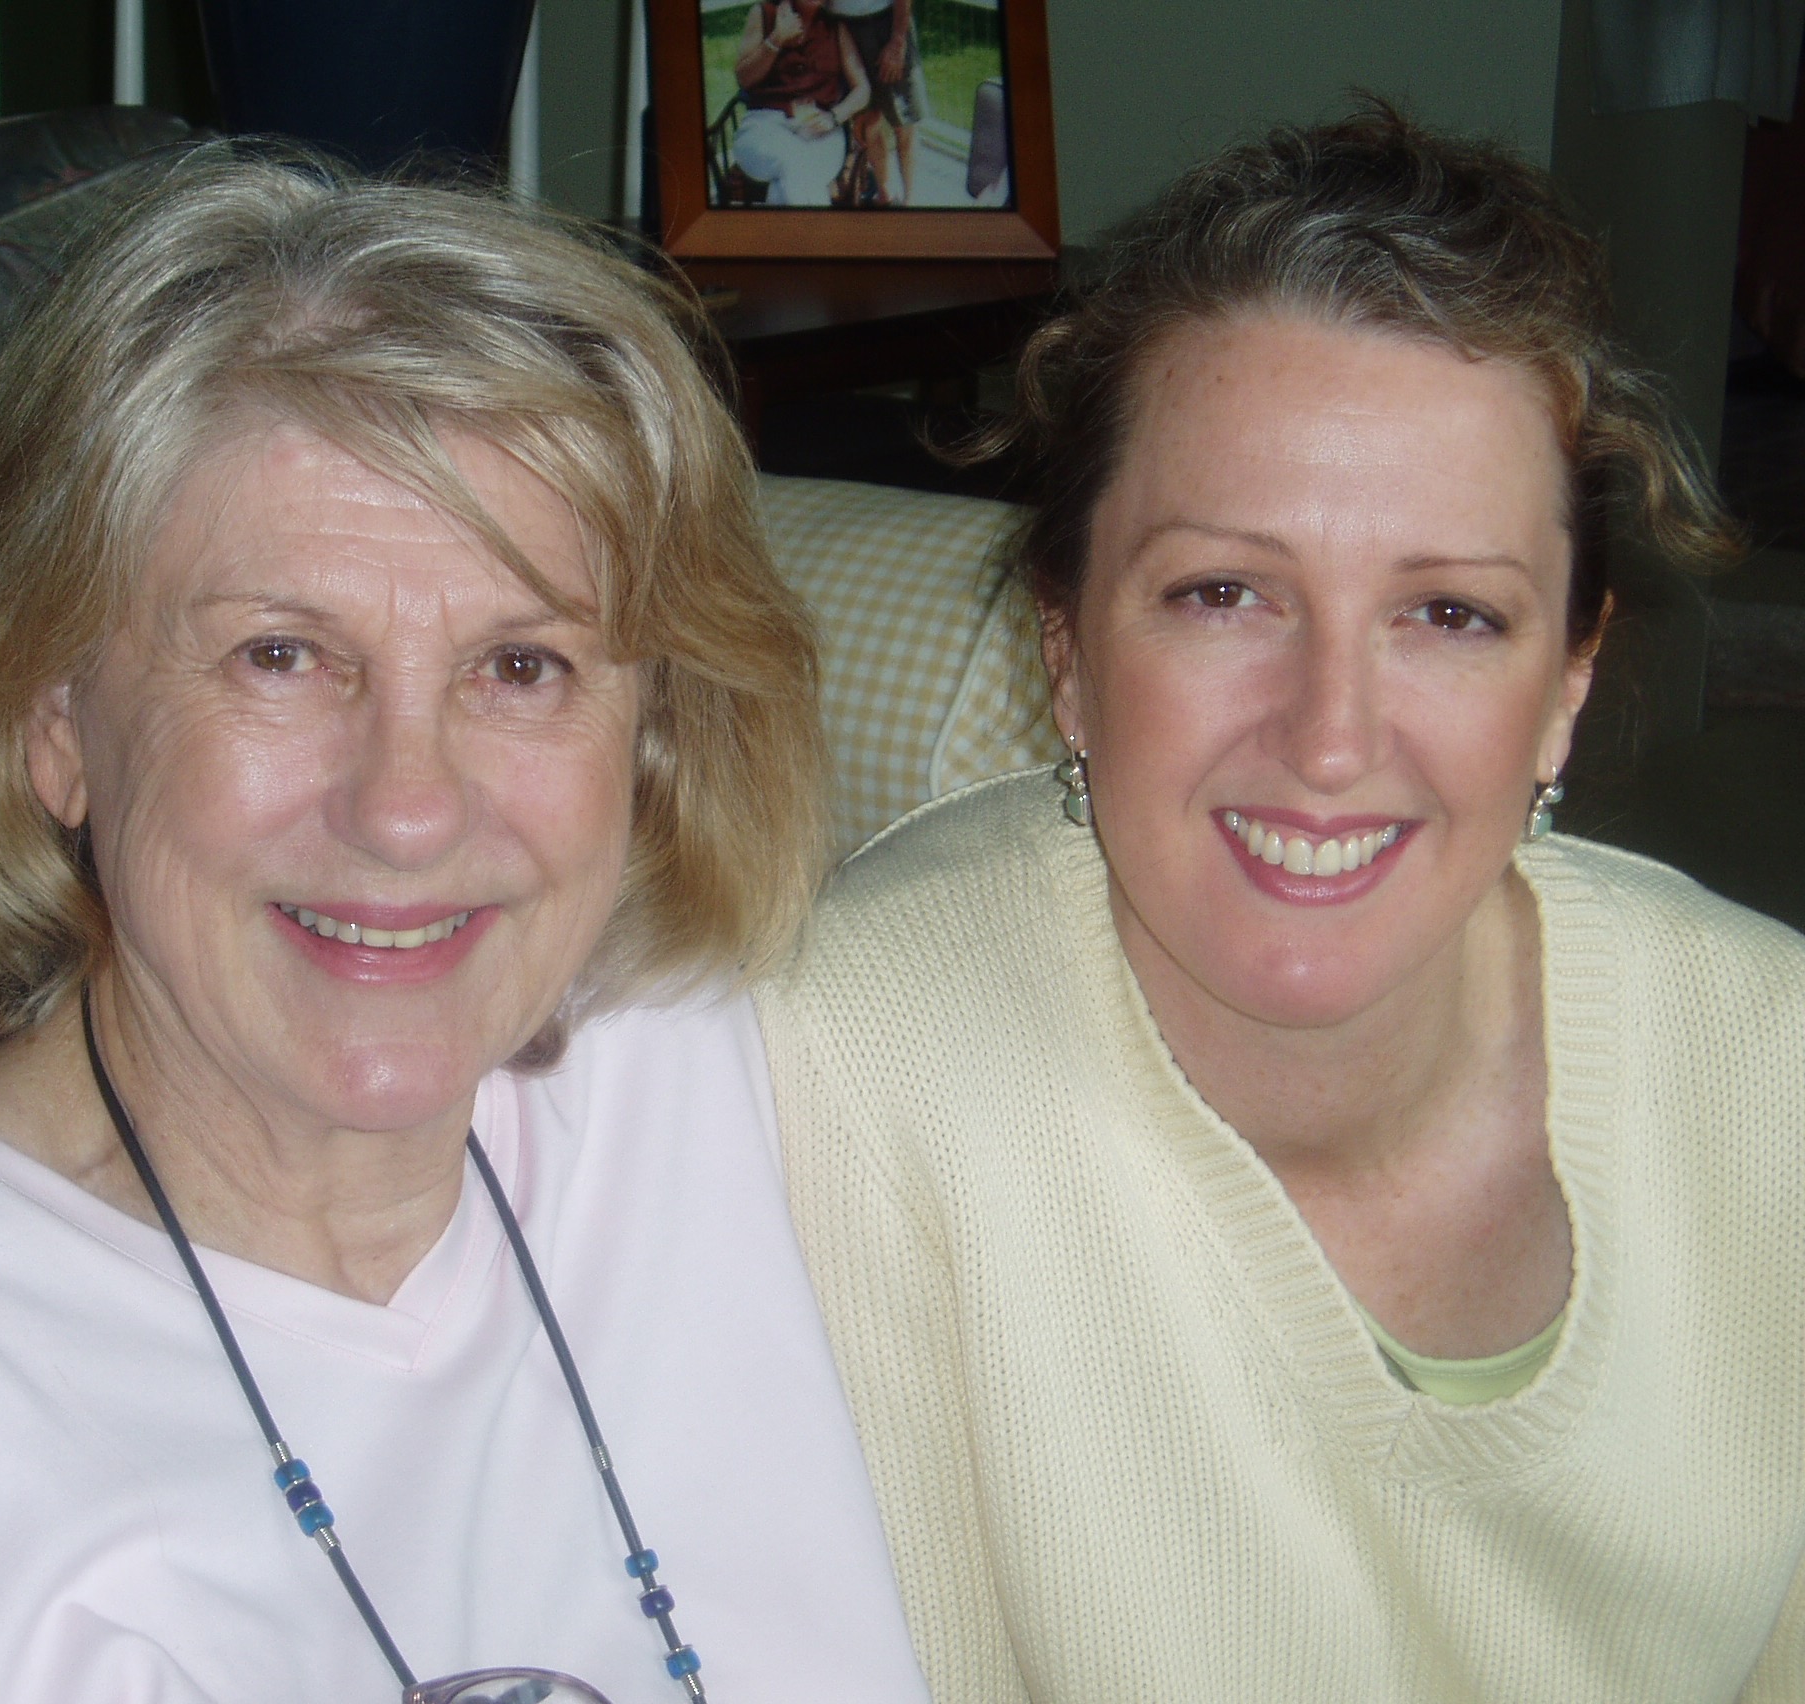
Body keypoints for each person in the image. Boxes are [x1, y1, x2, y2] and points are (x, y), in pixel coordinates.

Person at [0, 144, 934, 1704]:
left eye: (520, 666)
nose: (407, 809)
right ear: (50, 717)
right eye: (281, 655)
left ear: (651, 736)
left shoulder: (696, 1085)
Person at [760, 107, 1805, 1700]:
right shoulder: (849, 1079)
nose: (1329, 739)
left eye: (1449, 614)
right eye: (1223, 592)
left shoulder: (1771, 1063)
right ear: (1066, 649)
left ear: (1568, 686)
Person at [729, 0, 872, 207]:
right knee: (797, 164)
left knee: (792, 174)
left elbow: (862, 89)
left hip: (820, 129)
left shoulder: (836, 25)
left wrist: (834, 117)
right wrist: (776, 39)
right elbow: (744, 78)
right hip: (764, 126)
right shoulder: (765, 14)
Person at [827, 0, 918, 205]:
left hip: (887, 21)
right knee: (868, 122)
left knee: (904, 120)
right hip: (843, 24)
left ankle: (910, 202)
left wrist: (898, 40)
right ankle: (885, 196)